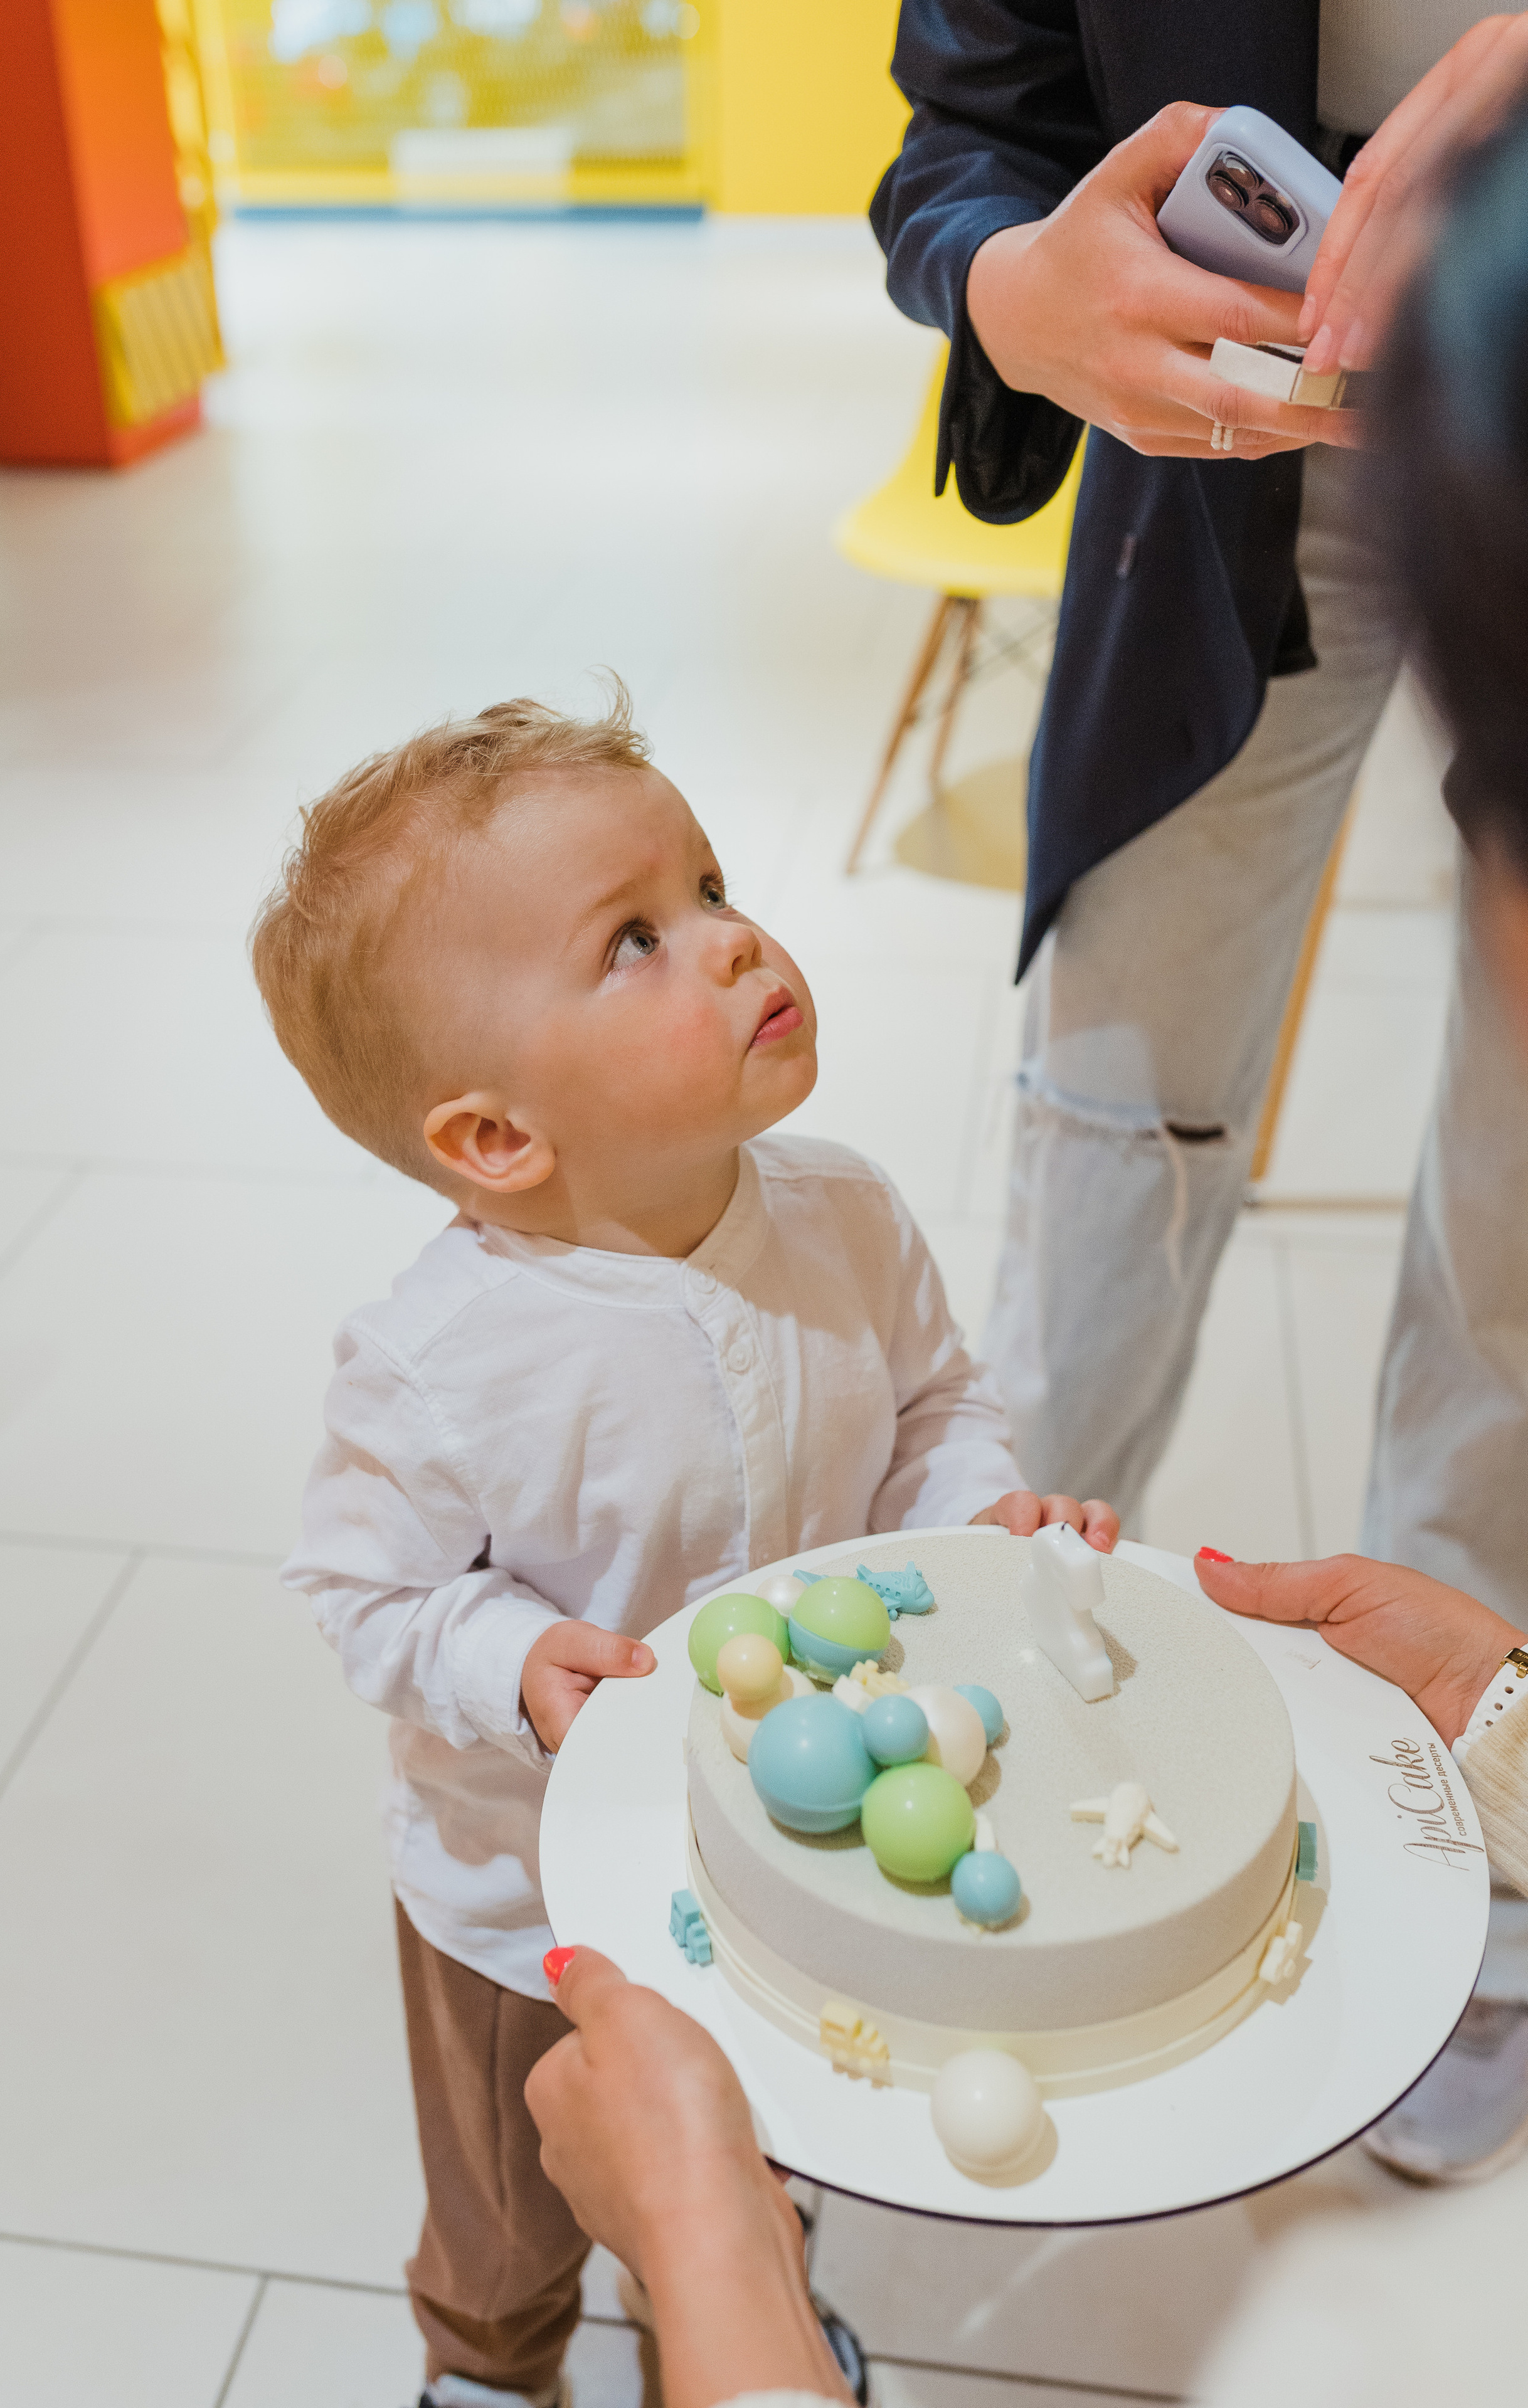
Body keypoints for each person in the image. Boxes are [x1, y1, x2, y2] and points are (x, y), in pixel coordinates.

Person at [520, 92, 1528, 2408]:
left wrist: (711, 2267)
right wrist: (1010, 281)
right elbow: (955, 144)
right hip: (1212, 486)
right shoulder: (494, 1339)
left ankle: (1474, 1903)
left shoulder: (1375, 2350)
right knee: (1113, 1141)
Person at [250, 695, 1118, 2408]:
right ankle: (492, 2361)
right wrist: (507, 1657)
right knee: (511, 2196)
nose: (733, 941)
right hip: (528, 1900)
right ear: (497, 1137)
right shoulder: (445, 1358)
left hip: (792, 1860)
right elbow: (364, 1590)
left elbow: (934, 1410)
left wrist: (977, 1519)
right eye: (636, 939)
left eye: (711, 884)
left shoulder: (846, 1214)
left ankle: (739, 2322)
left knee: (772, 2115)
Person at [869, 2, 1528, 1625]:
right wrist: (1018, 290)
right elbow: (968, 136)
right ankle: (1009, 1610)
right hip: (1242, 440)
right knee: (1122, 1095)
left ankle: (1467, 1724)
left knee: (1517, 1163)